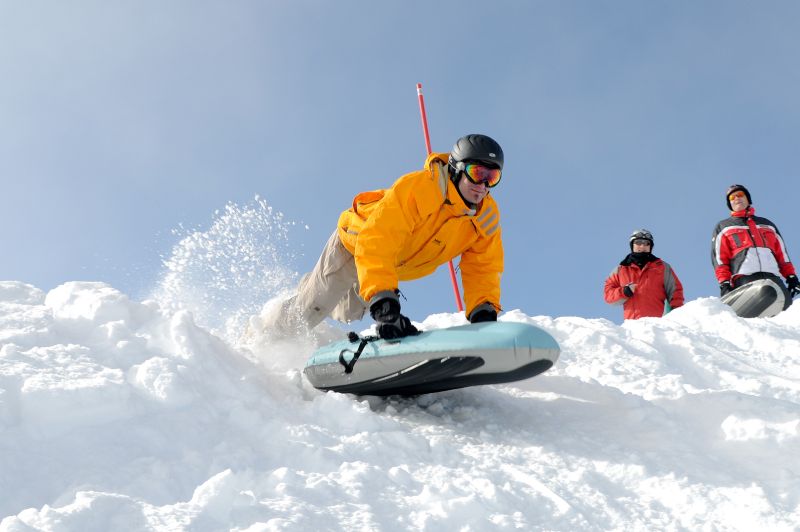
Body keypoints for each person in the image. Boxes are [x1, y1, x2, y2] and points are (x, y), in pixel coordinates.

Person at [257, 134, 505, 340]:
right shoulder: (422, 189)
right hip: (355, 245)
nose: (482, 186)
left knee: (348, 312)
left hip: (387, 264)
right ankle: (265, 334)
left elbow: (483, 268)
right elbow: (378, 238)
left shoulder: (484, 219)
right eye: (477, 173)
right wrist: (385, 300)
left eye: (492, 178)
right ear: (457, 168)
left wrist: (483, 312)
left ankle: (313, 284)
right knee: (312, 308)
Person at [711, 184, 798, 300]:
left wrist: (791, 277)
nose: (736, 198)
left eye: (740, 195)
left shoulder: (768, 225)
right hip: (744, 280)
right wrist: (724, 283)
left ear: (748, 199)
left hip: (773, 278)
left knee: (783, 316)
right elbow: (720, 260)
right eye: (732, 198)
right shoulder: (723, 227)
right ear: (730, 204)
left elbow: (782, 255)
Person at [604, 229, 684, 319]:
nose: (642, 246)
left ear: (651, 247)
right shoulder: (620, 270)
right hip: (632, 326)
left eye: (647, 243)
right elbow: (608, 295)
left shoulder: (663, 268)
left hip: (657, 326)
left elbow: (675, 292)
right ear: (632, 245)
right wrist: (624, 292)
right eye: (638, 242)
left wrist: (677, 315)